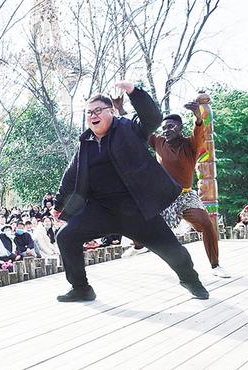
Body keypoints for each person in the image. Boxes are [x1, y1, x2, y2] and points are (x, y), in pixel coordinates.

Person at [53, 81, 209, 302]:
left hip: (137, 208)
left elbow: (153, 118)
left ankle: (191, 280)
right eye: (89, 112)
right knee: (66, 236)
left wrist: (134, 92)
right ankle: (81, 289)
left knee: (172, 250)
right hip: (101, 210)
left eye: (98, 110)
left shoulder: (128, 128)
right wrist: (59, 205)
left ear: (111, 111)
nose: (93, 116)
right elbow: (71, 175)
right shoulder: (85, 143)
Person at [115, 96, 231, 278]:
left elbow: (199, 132)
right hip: (162, 196)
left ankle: (215, 266)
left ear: (180, 128)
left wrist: (198, 117)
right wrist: (122, 110)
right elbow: (138, 128)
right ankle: (138, 246)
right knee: (138, 219)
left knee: (206, 224)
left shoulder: (190, 145)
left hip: (185, 196)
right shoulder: (158, 142)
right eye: (164, 128)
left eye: (170, 127)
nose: (166, 130)